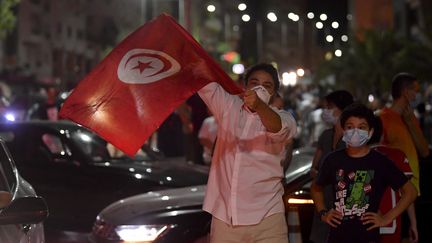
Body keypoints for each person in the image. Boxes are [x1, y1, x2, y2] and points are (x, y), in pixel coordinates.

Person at [198, 63, 297, 243]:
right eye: (254, 82)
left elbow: (277, 128)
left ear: (274, 93)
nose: (259, 88)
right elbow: (201, 78)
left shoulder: (285, 118)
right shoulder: (228, 107)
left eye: (267, 86)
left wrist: (259, 105)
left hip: (268, 219)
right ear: (245, 86)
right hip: (225, 219)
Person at [311, 102, 417, 243]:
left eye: (361, 127)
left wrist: (386, 218)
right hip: (337, 237)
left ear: (370, 132)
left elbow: (410, 192)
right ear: (343, 130)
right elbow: (316, 187)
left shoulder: (380, 162)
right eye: (350, 127)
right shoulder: (333, 160)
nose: (355, 131)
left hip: (368, 237)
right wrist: (323, 212)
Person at [379, 73, 429, 242]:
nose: (417, 95)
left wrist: (409, 122)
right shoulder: (383, 118)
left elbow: (424, 151)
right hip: (394, 196)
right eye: (415, 90)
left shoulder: (409, 118)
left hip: (412, 193)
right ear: (405, 92)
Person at [309, 90, 354, 243]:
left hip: (345, 209)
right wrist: (318, 173)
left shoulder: (352, 139)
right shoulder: (326, 136)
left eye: (330, 107)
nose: (326, 111)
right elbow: (314, 168)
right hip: (323, 207)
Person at [368, 116, 414, 243]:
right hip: (391, 224)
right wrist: (413, 223)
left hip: (363, 224)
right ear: (383, 133)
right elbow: (408, 193)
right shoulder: (397, 155)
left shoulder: (355, 158)